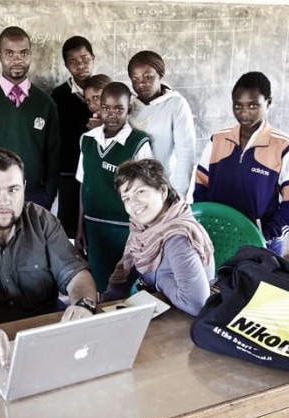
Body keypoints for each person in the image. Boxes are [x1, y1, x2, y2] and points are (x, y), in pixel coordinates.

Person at [0, 148, 98, 364]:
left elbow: (76, 273)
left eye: (13, 189)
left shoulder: (42, 219)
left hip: (44, 333)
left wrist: (83, 305)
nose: (5, 200)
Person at [194, 71, 289, 255]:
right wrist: (207, 224)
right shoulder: (218, 140)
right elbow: (200, 187)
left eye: (253, 106)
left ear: (268, 103)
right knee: (216, 284)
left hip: (260, 244)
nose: (244, 113)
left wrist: (266, 234)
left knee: (257, 284)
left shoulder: (283, 146)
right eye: (238, 106)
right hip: (218, 239)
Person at [0, 26, 61, 210]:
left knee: (33, 239)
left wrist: (48, 194)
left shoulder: (45, 103)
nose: (17, 59)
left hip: (35, 195)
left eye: (24, 53)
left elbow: (53, 154)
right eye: (9, 53)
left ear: (31, 55)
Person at [103, 159, 214, 316]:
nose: (133, 203)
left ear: (162, 191)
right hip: (163, 309)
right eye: (126, 198)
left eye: (140, 192)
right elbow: (126, 271)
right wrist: (103, 306)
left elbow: (196, 304)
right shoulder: (141, 227)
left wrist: (161, 281)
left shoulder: (178, 238)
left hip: (185, 322)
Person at [75, 82, 152, 292]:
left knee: (124, 283)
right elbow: (84, 184)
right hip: (93, 225)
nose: (112, 114)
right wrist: (80, 227)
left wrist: (142, 232)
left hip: (125, 227)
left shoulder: (138, 142)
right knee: (99, 282)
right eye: (106, 107)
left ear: (129, 109)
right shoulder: (88, 140)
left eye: (119, 109)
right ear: (99, 107)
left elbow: (147, 193)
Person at [128, 50, 196, 199]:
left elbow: (186, 154)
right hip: (132, 190)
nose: (141, 84)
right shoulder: (128, 105)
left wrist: (177, 195)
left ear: (160, 75)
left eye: (148, 77)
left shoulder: (176, 104)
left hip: (164, 189)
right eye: (135, 79)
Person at [51, 36, 95, 237]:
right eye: (74, 62)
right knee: (69, 224)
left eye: (85, 59)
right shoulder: (58, 97)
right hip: (68, 173)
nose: (81, 66)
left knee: (94, 221)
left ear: (93, 58)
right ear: (67, 65)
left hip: (98, 171)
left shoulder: (106, 91)